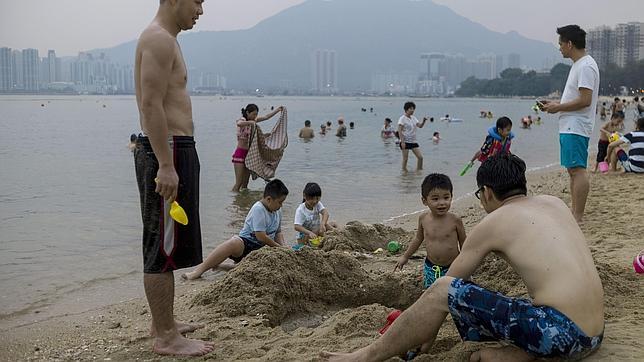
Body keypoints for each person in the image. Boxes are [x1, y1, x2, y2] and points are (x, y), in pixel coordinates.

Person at [321, 154, 604, 362]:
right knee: (512, 300)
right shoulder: (554, 203)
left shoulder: (496, 221)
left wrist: (424, 331)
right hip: (594, 335)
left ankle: (365, 356)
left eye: (480, 195)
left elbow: (444, 288)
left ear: (487, 192)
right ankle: (516, 354)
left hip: (562, 335)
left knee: (445, 288)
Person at [133, 0, 213, 356]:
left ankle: (162, 322)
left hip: (175, 148)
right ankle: (165, 336)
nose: (200, 9)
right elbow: (150, 105)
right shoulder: (159, 39)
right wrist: (166, 164)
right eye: (197, 1)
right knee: (162, 247)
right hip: (167, 150)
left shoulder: (167, 38)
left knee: (169, 242)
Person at [542, 25, 599, 223]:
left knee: (577, 169)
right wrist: (557, 105)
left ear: (569, 44)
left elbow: (585, 100)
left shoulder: (585, 66)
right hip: (570, 125)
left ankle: (578, 215)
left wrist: (558, 107)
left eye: (560, 44)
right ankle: (575, 210)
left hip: (576, 125)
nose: (559, 48)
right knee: (572, 169)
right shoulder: (579, 65)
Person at [182, 179, 289, 280]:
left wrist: (284, 247)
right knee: (233, 242)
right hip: (247, 244)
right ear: (269, 199)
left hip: (263, 248)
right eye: (280, 202)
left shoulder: (277, 211)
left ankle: (227, 267)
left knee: (261, 267)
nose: (281, 205)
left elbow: (278, 232)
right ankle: (198, 271)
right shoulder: (259, 209)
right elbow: (260, 236)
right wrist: (278, 247)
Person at [394, 174, 465, 289]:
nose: (442, 203)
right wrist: (405, 257)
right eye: (435, 199)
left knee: (452, 292)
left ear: (452, 197)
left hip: (453, 266)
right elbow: (418, 239)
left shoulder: (455, 220)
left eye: (446, 197)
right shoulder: (423, 219)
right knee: (431, 293)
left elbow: (463, 242)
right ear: (424, 200)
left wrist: (465, 264)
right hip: (431, 266)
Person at [231, 104, 284, 192]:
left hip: (249, 156)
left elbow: (266, 117)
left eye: (256, 114)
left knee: (245, 184)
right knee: (238, 183)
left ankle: (242, 203)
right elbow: (239, 124)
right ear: (247, 112)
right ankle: (233, 202)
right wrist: (250, 122)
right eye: (253, 114)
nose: (255, 116)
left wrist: (278, 110)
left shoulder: (254, 121)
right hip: (240, 154)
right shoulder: (243, 120)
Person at [293, 182, 337, 247]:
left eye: (317, 198)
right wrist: (309, 232)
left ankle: (338, 234)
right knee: (322, 228)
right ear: (304, 196)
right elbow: (296, 226)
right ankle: (332, 236)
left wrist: (323, 223)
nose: (314, 201)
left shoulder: (317, 204)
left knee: (333, 223)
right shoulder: (301, 210)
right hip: (305, 236)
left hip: (316, 230)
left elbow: (325, 213)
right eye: (312, 199)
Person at [397, 101, 428, 172]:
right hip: (405, 141)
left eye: (413, 109)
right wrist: (402, 142)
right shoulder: (402, 118)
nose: (412, 110)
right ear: (406, 109)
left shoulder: (413, 118)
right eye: (410, 108)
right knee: (405, 159)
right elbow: (399, 130)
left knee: (420, 157)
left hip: (413, 141)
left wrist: (423, 121)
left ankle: (419, 171)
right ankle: (404, 173)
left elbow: (420, 126)